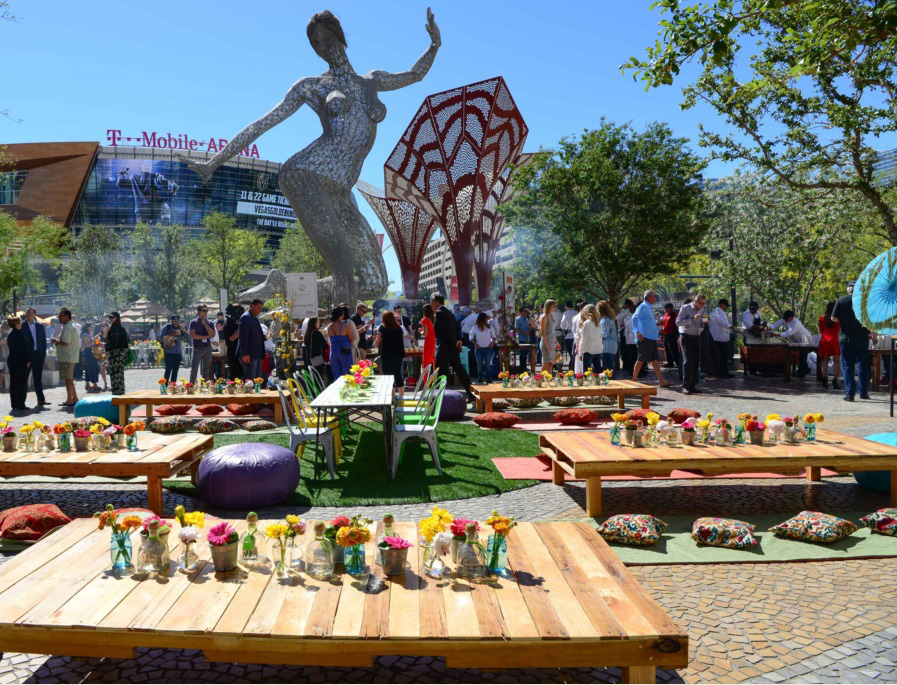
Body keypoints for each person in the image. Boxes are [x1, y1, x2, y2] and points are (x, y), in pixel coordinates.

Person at [832, 280, 876, 401]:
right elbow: (872, 320)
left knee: (848, 366)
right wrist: (874, 334)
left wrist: (843, 319)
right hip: (862, 338)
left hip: (846, 338)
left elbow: (833, 318)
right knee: (863, 365)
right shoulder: (865, 302)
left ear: (848, 290)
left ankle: (850, 394)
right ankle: (864, 393)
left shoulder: (841, 300)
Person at [431, 293, 475, 402]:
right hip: (452, 347)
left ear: (436, 302)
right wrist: (458, 341)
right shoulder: (449, 313)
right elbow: (456, 328)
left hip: (444, 347)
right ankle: (471, 393)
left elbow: (439, 332)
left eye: (431, 301)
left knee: (440, 373)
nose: (431, 304)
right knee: (460, 371)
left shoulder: (440, 313)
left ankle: (438, 399)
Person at [632, 291, 672, 387]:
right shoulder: (643, 306)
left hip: (651, 337)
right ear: (649, 297)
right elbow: (634, 318)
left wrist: (658, 324)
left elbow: (648, 322)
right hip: (645, 337)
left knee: (655, 360)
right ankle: (633, 381)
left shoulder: (648, 307)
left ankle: (661, 381)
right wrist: (637, 332)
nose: (655, 298)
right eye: (654, 296)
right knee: (641, 359)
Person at [677, 295, 708, 395]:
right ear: (695, 301)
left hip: (696, 336)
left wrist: (705, 322)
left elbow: (701, 324)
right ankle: (685, 386)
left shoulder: (702, 310)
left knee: (695, 362)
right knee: (688, 361)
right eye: (700, 303)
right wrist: (692, 319)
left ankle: (693, 385)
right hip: (686, 336)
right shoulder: (685, 308)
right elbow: (678, 322)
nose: (702, 305)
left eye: (703, 303)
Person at [768, 310, 812, 378]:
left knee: (802, 355)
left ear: (792, 317)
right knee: (801, 356)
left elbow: (788, 333)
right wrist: (769, 329)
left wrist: (775, 335)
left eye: (787, 319)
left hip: (805, 339)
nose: (786, 320)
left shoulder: (796, 323)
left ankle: (801, 372)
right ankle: (805, 369)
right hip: (796, 340)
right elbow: (776, 324)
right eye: (785, 319)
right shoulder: (784, 319)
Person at [52, 308, 80, 407]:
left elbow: (65, 342)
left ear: (67, 317)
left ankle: (69, 400)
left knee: (68, 379)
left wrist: (55, 341)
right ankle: (74, 398)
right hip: (70, 356)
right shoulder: (71, 325)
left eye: (60, 316)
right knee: (69, 379)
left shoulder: (68, 327)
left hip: (68, 357)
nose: (59, 318)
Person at [21, 308, 48, 407]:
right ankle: (21, 402)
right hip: (27, 356)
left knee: (38, 378)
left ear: (34, 314)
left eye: (30, 313)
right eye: (27, 312)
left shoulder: (40, 326)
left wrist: (43, 355)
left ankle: (41, 399)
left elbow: (44, 342)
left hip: (38, 355)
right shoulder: (22, 325)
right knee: (24, 379)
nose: (28, 314)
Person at [374, 311, 406, 394]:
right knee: (398, 375)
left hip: (387, 355)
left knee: (389, 377)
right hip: (398, 355)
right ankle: (402, 396)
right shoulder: (399, 328)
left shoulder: (382, 327)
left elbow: (377, 344)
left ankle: (392, 397)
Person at [5, 317, 30, 413]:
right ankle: (20, 404)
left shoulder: (11, 334)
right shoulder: (19, 334)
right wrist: (27, 360)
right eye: (20, 322)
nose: (21, 323)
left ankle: (15, 404)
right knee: (21, 383)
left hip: (12, 360)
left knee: (14, 383)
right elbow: (23, 349)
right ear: (17, 324)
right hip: (20, 361)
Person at [238, 299, 267, 381]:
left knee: (258, 379)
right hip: (249, 354)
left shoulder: (254, 318)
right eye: (258, 308)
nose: (260, 311)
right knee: (250, 379)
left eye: (261, 309)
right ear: (252, 306)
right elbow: (243, 337)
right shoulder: (246, 317)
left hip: (256, 354)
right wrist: (245, 354)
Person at [104, 312, 130, 395]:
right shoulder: (119, 327)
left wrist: (105, 345)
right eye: (110, 317)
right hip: (120, 353)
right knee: (119, 374)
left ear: (117, 318)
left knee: (115, 374)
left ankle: (117, 394)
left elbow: (115, 343)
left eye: (112, 317)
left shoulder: (115, 328)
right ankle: (120, 393)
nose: (110, 319)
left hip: (116, 353)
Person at [189, 305, 216, 384]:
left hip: (207, 347)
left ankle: (205, 385)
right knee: (194, 369)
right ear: (199, 312)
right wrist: (205, 337)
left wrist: (205, 324)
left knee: (206, 369)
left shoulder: (210, 323)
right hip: (197, 348)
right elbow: (193, 336)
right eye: (204, 311)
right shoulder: (193, 322)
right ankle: (191, 386)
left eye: (207, 311)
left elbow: (213, 334)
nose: (206, 312)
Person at [709, 299, 736, 378]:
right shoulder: (718, 312)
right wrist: (732, 327)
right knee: (723, 356)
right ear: (722, 304)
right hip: (719, 338)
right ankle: (723, 372)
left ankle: (717, 371)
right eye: (726, 306)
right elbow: (722, 323)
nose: (726, 308)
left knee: (718, 356)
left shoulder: (715, 311)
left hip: (717, 337)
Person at [817, 301, 841, 389]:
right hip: (834, 339)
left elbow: (821, 331)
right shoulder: (837, 318)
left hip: (825, 339)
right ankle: (835, 380)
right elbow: (839, 329)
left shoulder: (822, 317)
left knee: (825, 360)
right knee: (836, 361)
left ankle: (824, 379)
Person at [575, 304, 603, 374]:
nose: (583, 313)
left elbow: (583, 339)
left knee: (587, 372)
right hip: (598, 349)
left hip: (588, 350)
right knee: (598, 371)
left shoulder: (586, 323)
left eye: (584, 311)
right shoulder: (598, 323)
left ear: (587, 312)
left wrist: (580, 353)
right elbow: (600, 337)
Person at [159, 315, 186, 384]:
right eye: (175, 321)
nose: (177, 323)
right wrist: (171, 335)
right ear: (171, 321)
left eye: (178, 321)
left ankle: (173, 385)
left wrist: (184, 331)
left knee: (175, 370)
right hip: (169, 352)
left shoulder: (181, 328)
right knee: (168, 370)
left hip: (178, 353)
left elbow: (188, 338)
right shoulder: (167, 327)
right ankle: (165, 386)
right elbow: (161, 338)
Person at [471, 312, 496, 384]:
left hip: (488, 348)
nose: (487, 319)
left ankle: (488, 378)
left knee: (488, 364)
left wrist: (492, 343)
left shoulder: (490, 327)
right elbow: (471, 337)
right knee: (479, 365)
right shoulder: (475, 327)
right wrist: (475, 344)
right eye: (486, 317)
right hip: (479, 349)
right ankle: (480, 378)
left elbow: (494, 336)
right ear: (483, 318)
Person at [304, 316, 330, 382]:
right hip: (317, 358)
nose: (319, 324)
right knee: (318, 377)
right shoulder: (317, 333)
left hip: (309, 358)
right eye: (318, 322)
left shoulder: (307, 333)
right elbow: (325, 345)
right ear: (314, 323)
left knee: (312, 377)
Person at [222, 304, 243, 380]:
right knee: (235, 374)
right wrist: (242, 327)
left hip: (238, 350)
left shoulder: (234, 322)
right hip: (233, 351)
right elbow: (232, 337)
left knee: (240, 373)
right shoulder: (229, 322)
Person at [540, 299, 561, 374]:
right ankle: (541, 378)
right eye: (554, 306)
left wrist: (557, 342)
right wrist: (547, 345)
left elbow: (553, 331)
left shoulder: (551, 316)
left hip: (552, 342)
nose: (555, 308)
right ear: (549, 306)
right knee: (546, 363)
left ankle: (549, 378)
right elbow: (543, 333)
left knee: (551, 363)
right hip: (546, 342)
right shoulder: (544, 317)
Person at [598, 300, 618, 373]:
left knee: (608, 370)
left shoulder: (605, 320)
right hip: (611, 346)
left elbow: (604, 334)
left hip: (607, 347)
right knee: (609, 369)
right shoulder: (609, 319)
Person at [81, 323, 102, 393]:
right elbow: (88, 345)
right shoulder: (85, 335)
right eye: (91, 327)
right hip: (89, 352)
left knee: (88, 368)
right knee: (94, 368)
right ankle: (94, 384)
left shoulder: (88, 334)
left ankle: (87, 384)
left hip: (90, 351)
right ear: (87, 327)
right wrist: (95, 338)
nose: (93, 328)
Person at [619, 300, 638, 377]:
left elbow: (621, 323)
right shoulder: (625, 313)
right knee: (627, 352)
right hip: (627, 334)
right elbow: (620, 323)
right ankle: (628, 367)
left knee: (631, 353)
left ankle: (630, 368)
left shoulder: (630, 314)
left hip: (631, 335)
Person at [660, 303, 680, 372]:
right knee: (667, 349)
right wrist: (661, 334)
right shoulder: (665, 315)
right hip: (665, 334)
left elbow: (676, 325)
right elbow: (662, 324)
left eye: (667, 308)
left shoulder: (674, 315)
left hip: (672, 334)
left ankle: (678, 363)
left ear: (670, 308)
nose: (665, 309)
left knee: (673, 349)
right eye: (665, 308)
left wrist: (677, 334)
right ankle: (670, 363)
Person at [420, 304, 436, 374]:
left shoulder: (425, 320)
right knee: (433, 360)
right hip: (433, 341)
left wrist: (421, 332)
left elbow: (425, 333)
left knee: (426, 362)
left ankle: (425, 379)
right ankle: (434, 378)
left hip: (428, 342)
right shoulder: (432, 320)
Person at [515, 307, 531, 371]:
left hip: (527, 338)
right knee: (522, 354)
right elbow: (517, 329)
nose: (526, 313)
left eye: (526, 312)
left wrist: (530, 328)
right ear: (521, 312)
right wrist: (523, 333)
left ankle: (525, 367)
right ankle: (522, 367)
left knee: (526, 353)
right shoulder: (518, 320)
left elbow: (527, 327)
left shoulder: (526, 319)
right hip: (521, 338)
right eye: (525, 311)